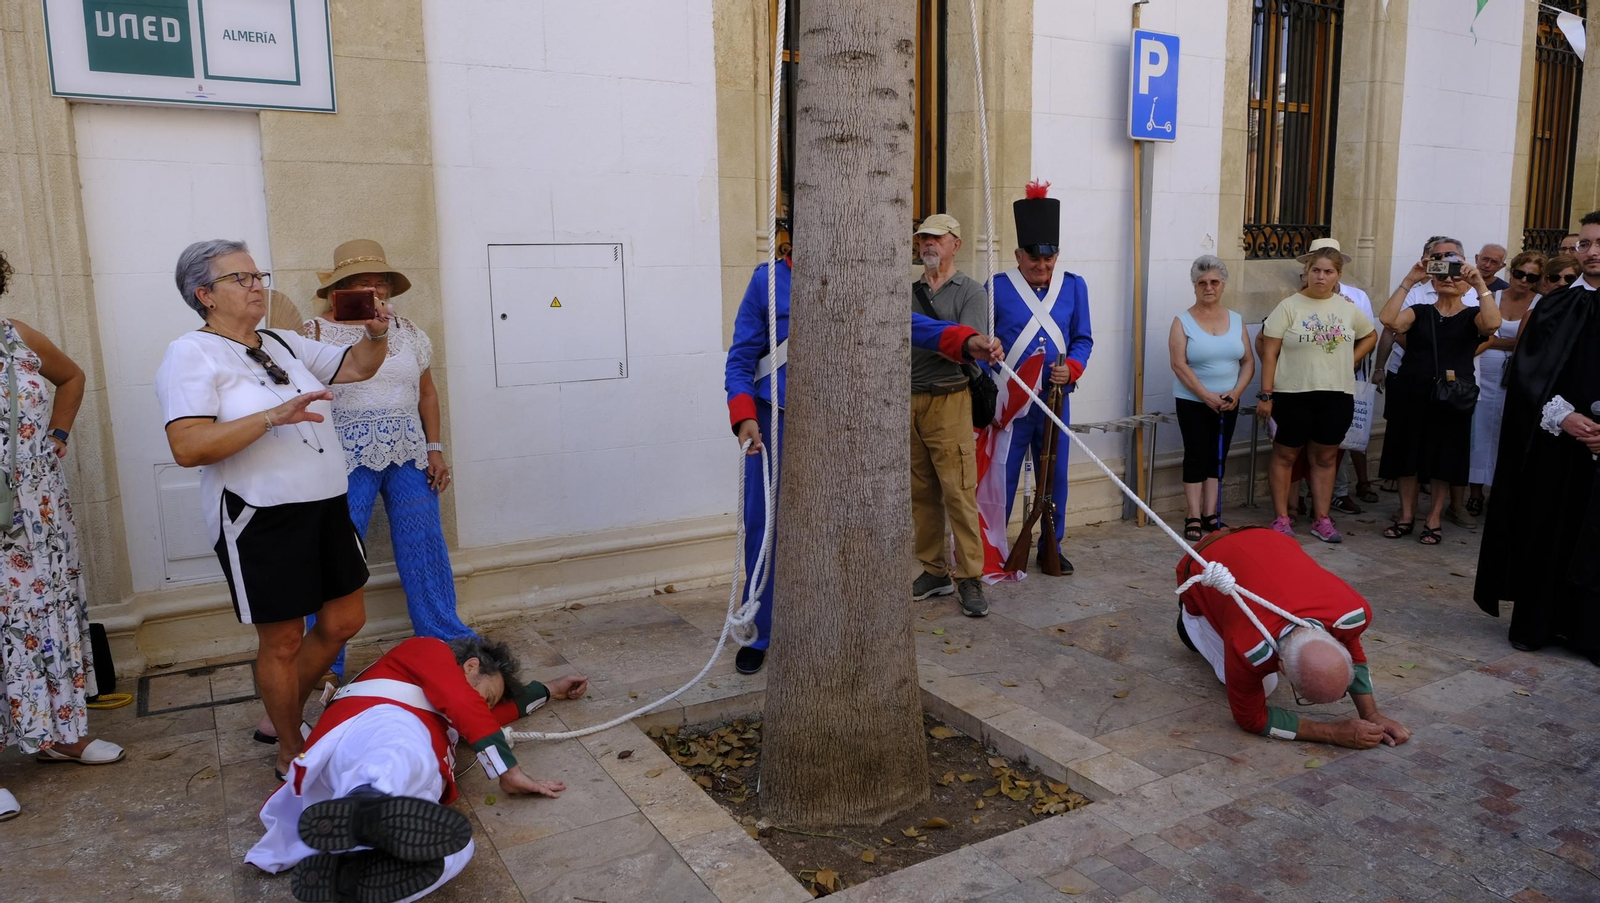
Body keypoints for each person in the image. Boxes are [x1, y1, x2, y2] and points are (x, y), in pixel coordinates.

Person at [156, 239, 390, 780]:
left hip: (325, 503)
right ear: (204, 295)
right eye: (240, 278)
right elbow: (188, 447)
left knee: (344, 620)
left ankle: (283, 709)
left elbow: (356, 368)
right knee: (282, 639)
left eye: (257, 274)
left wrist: (376, 332)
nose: (258, 284)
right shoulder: (191, 354)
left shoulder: (281, 342)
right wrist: (271, 417)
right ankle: (289, 745)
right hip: (260, 513)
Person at [726, 247, 1004, 669]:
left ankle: (834, 625)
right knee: (764, 525)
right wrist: (744, 415)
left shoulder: (857, 277)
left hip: (840, 420)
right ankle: (761, 633)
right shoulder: (766, 280)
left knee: (847, 526)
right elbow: (742, 357)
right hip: (773, 418)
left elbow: (909, 325)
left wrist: (965, 340)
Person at [246, 636, 589, 902]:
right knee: (402, 752)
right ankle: (370, 801)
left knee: (457, 846)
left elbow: (493, 715)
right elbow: (464, 704)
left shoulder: (456, 719)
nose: (482, 708)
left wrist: (552, 688)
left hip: (393, 783)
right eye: (486, 697)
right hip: (373, 732)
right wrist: (508, 771)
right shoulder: (426, 650)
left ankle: (349, 875)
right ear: (471, 666)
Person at [300, 240, 474, 679]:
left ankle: (446, 637)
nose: (376, 290)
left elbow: (427, 392)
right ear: (339, 289)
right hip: (343, 456)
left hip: (409, 452)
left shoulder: (410, 330)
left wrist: (435, 449)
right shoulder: (312, 334)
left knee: (424, 545)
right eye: (363, 283)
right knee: (336, 556)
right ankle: (323, 663)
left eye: (382, 282)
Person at [0, 253, 125, 823]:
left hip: (40, 511)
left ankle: (63, 736)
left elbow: (71, 377)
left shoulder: (19, 336)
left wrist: (56, 436)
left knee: (46, 614)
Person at [1475, 211, 1600, 664]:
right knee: (1545, 528)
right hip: (1554, 443)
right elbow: (1529, 373)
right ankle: (1538, 622)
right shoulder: (1555, 304)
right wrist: (1564, 417)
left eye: (1599, 244)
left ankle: (1590, 632)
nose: (1592, 252)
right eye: (1584, 244)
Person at [1174, 526, 1410, 748]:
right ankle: (1188, 624)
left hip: (1262, 534)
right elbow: (1251, 719)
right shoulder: (1248, 648)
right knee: (1264, 687)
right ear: (1282, 667)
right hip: (1201, 563)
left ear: (1337, 642)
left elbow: (1353, 648)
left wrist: (1371, 714)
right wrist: (1333, 732)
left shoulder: (1352, 613)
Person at [986, 181, 1094, 574]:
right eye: (1034, 261)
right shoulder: (997, 288)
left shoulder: (1073, 286)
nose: (1042, 268)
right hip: (1011, 403)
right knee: (1003, 477)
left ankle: (1052, 543)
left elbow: (1083, 339)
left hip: (1054, 400)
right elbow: (984, 345)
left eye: (1049, 261)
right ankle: (996, 547)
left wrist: (1073, 369)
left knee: (1056, 477)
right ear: (1018, 255)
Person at [1376, 250, 1501, 545]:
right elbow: (1389, 320)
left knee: (1443, 458)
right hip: (1411, 392)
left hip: (1451, 398)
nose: (1448, 279)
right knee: (1408, 455)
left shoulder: (1473, 315)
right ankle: (1407, 515)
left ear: (1466, 283)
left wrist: (1481, 284)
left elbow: (1493, 324)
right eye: (1442, 274)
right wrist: (1409, 280)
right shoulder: (1420, 311)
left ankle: (1433, 517)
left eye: (1456, 275)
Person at [1257, 246, 1377, 543]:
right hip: (1292, 393)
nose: (1321, 277)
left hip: (1336, 394)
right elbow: (1269, 352)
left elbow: (1371, 335)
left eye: (1328, 271)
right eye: (1316, 270)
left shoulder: (1347, 308)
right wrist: (1266, 394)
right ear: (1306, 273)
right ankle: (1282, 516)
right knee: (1285, 455)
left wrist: (1351, 359)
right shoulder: (1289, 307)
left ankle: (1322, 518)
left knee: (1325, 458)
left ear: (1338, 275)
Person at [909, 215, 992, 617]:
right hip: (909, 401)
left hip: (950, 401)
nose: (927, 245)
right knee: (921, 493)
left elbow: (966, 346)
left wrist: (923, 334)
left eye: (936, 238)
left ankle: (970, 577)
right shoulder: (907, 291)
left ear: (955, 244)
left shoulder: (972, 292)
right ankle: (934, 570)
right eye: (923, 238)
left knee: (959, 491)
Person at [1168, 255, 1254, 541]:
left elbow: (1248, 362)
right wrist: (1205, 396)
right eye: (1202, 282)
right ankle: (1193, 514)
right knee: (1196, 454)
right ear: (1194, 286)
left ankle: (1211, 513)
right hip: (1193, 401)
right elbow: (1179, 364)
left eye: (1214, 282)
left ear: (1223, 285)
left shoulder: (1237, 319)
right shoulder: (1182, 322)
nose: (1208, 287)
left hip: (1228, 402)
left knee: (1218, 456)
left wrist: (1236, 392)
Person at [1467, 250, 1544, 513]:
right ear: (1511, 272)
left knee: (1505, 433)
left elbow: (1528, 344)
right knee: (1479, 431)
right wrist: (1504, 343)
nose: (1524, 280)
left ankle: (1499, 492)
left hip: (1515, 377)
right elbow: (1479, 334)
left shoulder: (1539, 303)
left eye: (1531, 277)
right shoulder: (1493, 297)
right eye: (1520, 274)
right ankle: (1475, 493)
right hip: (1483, 374)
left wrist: (1493, 341)